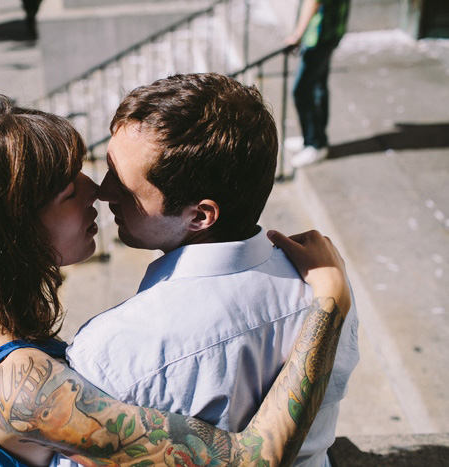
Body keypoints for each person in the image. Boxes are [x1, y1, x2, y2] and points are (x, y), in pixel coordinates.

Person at [0, 94, 353, 467]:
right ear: (16, 230)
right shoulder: (25, 388)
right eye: (68, 191)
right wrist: (330, 304)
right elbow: (251, 459)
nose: (95, 191)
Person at [63, 74, 359, 467]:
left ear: (200, 216)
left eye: (124, 183)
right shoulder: (324, 286)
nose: (103, 191)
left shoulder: (113, 350)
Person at [285, 0, 351, 167]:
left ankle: (316, 143)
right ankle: (313, 135)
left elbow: (312, 2)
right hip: (332, 31)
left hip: (319, 34)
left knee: (301, 90)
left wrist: (296, 35)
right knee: (318, 85)